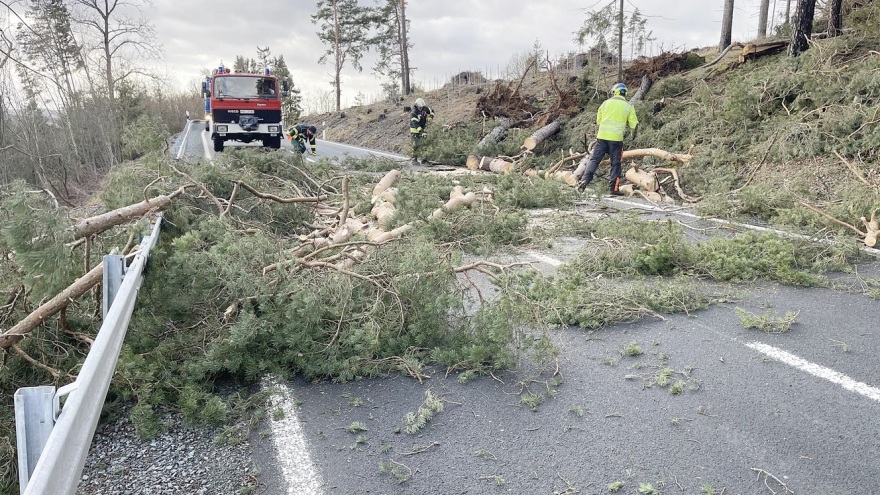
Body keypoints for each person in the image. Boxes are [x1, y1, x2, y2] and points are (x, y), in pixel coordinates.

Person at [577, 82, 639, 196]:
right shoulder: (628, 106)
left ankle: (585, 180)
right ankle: (614, 188)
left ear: (614, 91)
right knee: (616, 164)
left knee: (594, 160)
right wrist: (633, 136)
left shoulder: (605, 103)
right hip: (616, 140)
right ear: (625, 93)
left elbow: (599, 121)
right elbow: (634, 126)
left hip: (602, 138)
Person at [409, 97, 434, 164]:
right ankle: (414, 159)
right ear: (416, 105)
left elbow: (432, 111)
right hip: (415, 130)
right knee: (416, 145)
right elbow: (415, 124)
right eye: (420, 107)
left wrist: (430, 117)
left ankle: (424, 159)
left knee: (424, 144)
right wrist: (421, 132)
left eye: (422, 107)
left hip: (422, 129)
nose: (421, 109)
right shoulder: (414, 113)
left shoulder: (425, 108)